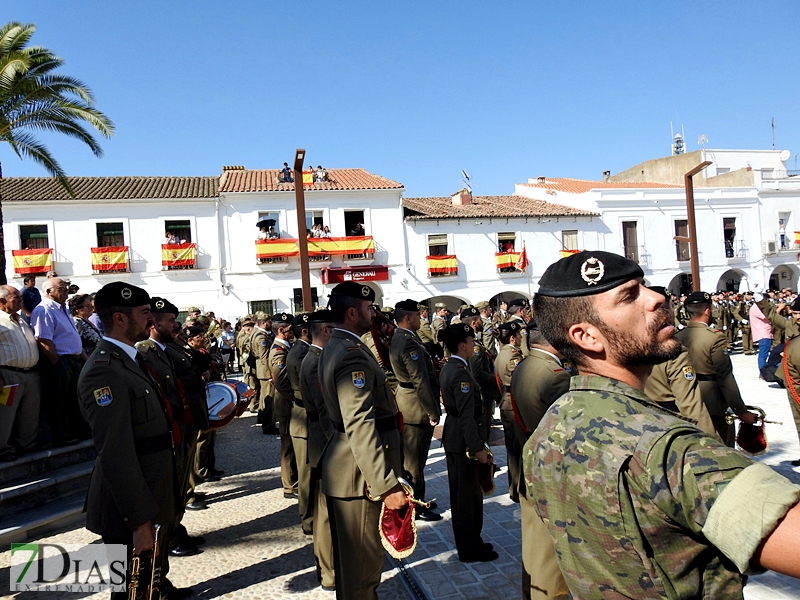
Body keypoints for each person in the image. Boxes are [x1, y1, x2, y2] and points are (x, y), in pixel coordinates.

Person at [526, 250, 800, 598]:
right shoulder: (671, 449)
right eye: (630, 295)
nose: (658, 297)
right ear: (587, 336)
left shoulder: (552, 425)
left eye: (644, 286)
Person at [77, 282, 190, 600]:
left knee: (145, 588)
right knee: (131, 591)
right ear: (120, 318)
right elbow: (115, 450)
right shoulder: (104, 370)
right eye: (144, 313)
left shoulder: (130, 360)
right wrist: (139, 520)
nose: (151, 320)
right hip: (127, 507)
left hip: (149, 490)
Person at [318, 282, 407, 600]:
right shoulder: (351, 355)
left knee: (354, 570)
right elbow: (360, 425)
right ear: (352, 312)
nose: (374, 313)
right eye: (369, 308)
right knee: (362, 573)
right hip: (359, 478)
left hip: (350, 471)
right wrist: (386, 485)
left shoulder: (340, 345)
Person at [137, 297, 205, 557]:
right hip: (172, 429)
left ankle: (174, 530)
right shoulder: (146, 351)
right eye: (171, 321)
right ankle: (169, 538)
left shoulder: (166, 348)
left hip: (184, 424)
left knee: (178, 488)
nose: (176, 325)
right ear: (155, 323)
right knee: (172, 490)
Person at [510, 318, 570, 600]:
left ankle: (529, 592)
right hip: (549, 471)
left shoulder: (524, 365)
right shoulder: (556, 374)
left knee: (532, 542)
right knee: (549, 551)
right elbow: (566, 430)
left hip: (528, 463)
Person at [439, 323, 498, 563]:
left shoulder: (453, 366)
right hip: (463, 443)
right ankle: (470, 549)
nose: (474, 344)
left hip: (457, 438)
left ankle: (472, 540)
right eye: (471, 341)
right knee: (466, 499)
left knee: (467, 496)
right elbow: (465, 415)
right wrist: (477, 449)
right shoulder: (460, 372)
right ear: (462, 345)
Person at [675, 291, 757, 446]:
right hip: (713, 402)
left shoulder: (678, 336)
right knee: (722, 445)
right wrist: (740, 410)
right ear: (707, 311)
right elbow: (725, 378)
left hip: (685, 398)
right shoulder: (715, 337)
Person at [389, 299, 441, 521]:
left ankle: (415, 499)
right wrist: (433, 412)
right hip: (415, 406)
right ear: (408, 318)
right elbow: (420, 381)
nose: (420, 318)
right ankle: (415, 505)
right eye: (417, 315)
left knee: (414, 459)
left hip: (407, 400)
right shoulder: (408, 343)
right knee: (414, 461)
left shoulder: (402, 337)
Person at [644, 287, 717, 437]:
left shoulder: (626, 345)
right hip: (671, 426)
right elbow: (691, 406)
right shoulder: (673, 350)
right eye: (671, 306)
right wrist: (713, 445)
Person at [300, 309, 336, 592]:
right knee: (324, 514)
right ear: (325, 330)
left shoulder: (316, 358)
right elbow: (324, 412)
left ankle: (330, 566)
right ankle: (329, 571)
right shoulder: (314, 362)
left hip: (322, 441)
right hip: (324, 444)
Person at [31, 277, 88, 446]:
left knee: (74, 399)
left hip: (74, 360)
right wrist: (57, 363)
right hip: (60, 361)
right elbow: (43, 340)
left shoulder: (63, 309)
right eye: (62, 288)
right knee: (60, 402)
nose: (66, 291)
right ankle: (63, 436)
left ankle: (78, 430)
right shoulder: (44, 310)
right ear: (49, 291)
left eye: (66, 288)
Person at [0, 285, 41, 461]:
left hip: (30, 374)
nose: (21, 300)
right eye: (16, 297)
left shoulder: (20, 319)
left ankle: (26, 445)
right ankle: (3, 449)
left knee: (29, 414)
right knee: (5, 414)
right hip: (8, 375)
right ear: (2, 301)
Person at [286, 313, 313, 533]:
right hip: (304, 418)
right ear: (305, 331)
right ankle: (309, 520)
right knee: (306, 475)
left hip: (301, 414)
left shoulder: (300, 350)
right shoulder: (303, 354)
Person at [494, 320, 524, 501]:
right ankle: (519, 488)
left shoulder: (501, 354)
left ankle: (514, 486)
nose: (521, 338)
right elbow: (517, 379)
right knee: (518, 448)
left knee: (511, 448)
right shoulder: (514, 355)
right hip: (513, 401)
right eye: (519, 335)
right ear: (513, 337)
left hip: (505, 401)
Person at [270, 312, 298, 499]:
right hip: (286, 405)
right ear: (281, 330)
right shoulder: (278, 351)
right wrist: (298, 398)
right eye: (289, 329)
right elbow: (281, 383)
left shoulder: (286, 348)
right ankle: (290, 485)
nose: (292, 332)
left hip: (289, 404)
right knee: (288, 445)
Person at [251, 312, 278, 435]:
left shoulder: (258, 333)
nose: (270, 324)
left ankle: (262, 418)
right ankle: (269, 426)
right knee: (269, 400)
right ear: (263, 323)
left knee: (264, 397)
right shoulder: (261, 337)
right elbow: (265, 357)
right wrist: (272, 373)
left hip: (262, 370)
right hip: (266, 370)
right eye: (269, 322)